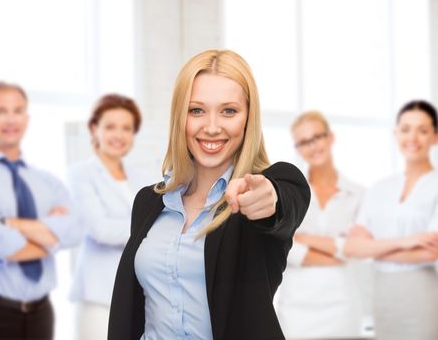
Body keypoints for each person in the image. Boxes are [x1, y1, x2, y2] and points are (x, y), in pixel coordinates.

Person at [107, 49, 311, 340]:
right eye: (196, 110)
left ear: (247, 119)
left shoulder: (262, 192)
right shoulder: (148, 202)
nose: (212, 127)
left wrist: (269, 197)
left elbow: (285, 200)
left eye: (229, 111)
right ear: (181, 117)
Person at [0, 81, 81, 340]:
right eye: (1, 111)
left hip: (41, 314)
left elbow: (75, 231)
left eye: (18, 110)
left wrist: (10, 223)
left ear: (27, 118)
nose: (10, 118)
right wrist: (50, 238)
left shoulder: (47, 181)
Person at [344, 100, 438, 340]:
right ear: (396, 134)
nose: (413, 138)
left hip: (423, 294)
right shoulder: (378, 189)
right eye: (405, 129)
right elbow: (353, 247)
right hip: (383, 294)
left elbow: (431, 252)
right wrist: (408, 243)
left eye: (423, 130)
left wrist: (372, 248)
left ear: (435, 137)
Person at [274, 111, 366, 339]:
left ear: (330, 138)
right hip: (296, 307)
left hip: (342, 304)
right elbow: (284, 246)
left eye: (317, 137)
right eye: (304, 142)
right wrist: (338, 251)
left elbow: (362, 249)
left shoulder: (359, 194)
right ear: (297, 149)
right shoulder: (289, 194)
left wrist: (304, 239)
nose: (312, 146)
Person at [68, 94, 150, 340]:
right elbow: (100, 229)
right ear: (94, 129)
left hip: (139, 293)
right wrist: (147, 228)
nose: (119, 135)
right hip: (99, 295)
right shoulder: (80, 174)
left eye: (126, 128)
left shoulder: (141, 176)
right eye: (110, 126)